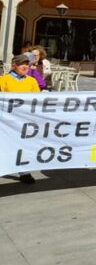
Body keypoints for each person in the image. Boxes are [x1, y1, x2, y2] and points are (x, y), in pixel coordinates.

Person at [0, 54, 41, 184]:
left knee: (23, 145)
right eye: (22, 64)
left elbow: (38, 100)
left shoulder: (32, 81)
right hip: (7, 121)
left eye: (27, 64)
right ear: (14, 66)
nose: (25, 67)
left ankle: (24, 172)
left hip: (25, 120)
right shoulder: (3, 80)